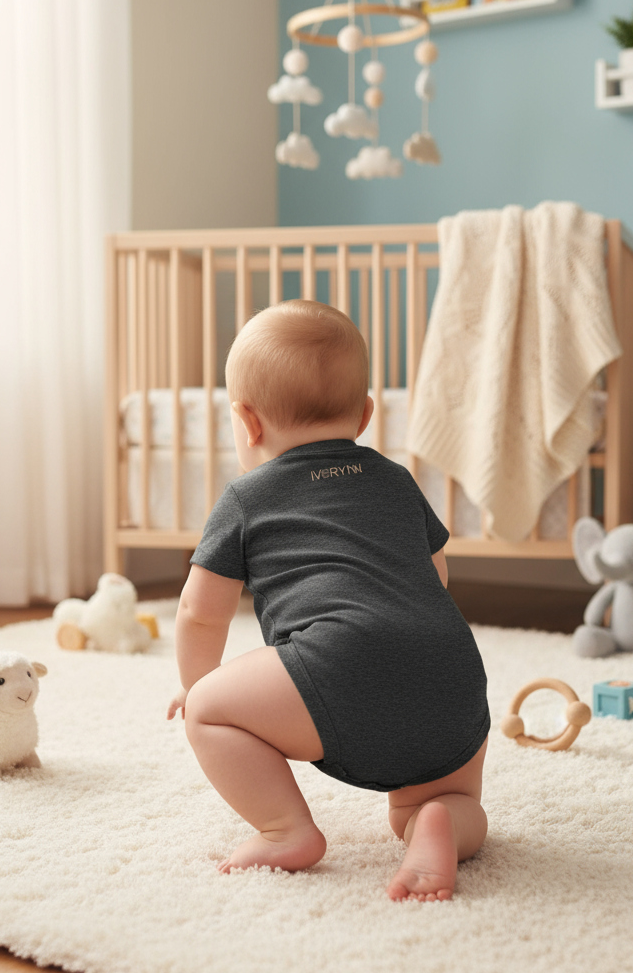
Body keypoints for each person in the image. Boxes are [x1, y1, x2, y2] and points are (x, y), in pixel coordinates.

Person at [166, 299, 490, 902]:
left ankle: (285, 829)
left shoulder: (247, 497)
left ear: (248, 423)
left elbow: (198, 611)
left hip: (340, 659)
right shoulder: (396, 480)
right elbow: (435, 576)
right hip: (450, 668)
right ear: (365, 414)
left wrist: (196, 684)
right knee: (442, 800)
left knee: (208, 708)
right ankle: (439, 822)